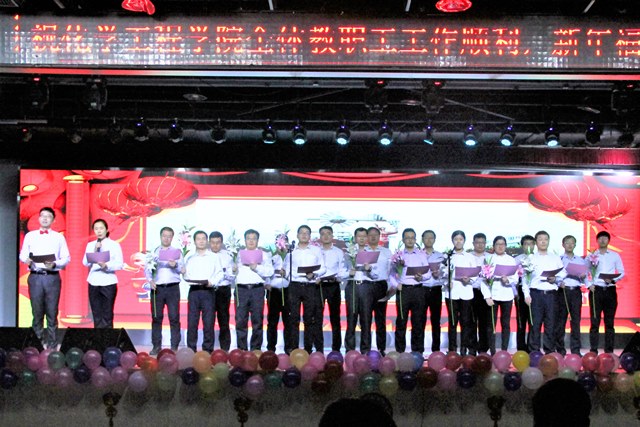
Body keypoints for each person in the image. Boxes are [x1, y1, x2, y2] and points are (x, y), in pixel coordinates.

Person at [19, 207, 70, 349]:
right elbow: (23, 254)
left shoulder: (59, 237)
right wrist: (26, 260)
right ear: (39, 218)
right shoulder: (30, 236)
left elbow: (66, 258)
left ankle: (52, 347)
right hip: (35, 277)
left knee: (52, 314)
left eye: (48, 216)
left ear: (53, 220)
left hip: (52, 277)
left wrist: (54, 264)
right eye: (42, 215)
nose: (45, 218)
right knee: (36, 313)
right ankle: (37, 346)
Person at [285, 225, 326, 353]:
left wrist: (313, 274)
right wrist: (288, 276)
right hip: (294, 286)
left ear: (310, 236)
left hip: (310, 286)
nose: (304, 235)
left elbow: (323, 268)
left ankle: (308, 349)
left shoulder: (316, 250)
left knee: (309, 318)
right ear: (297, 235)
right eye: (301, 233)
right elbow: (286, 268)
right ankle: (294, 348)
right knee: (293, 318)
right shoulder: (291, 250)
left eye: (307, 233)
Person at [524, 230, 565, 354]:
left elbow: (562, 273)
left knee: (551, 324)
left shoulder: (555, 257)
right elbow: (525, 279)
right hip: (536, 294)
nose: (543, 241)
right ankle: (534, 352)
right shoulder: (530, 258)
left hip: (551, 295)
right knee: (535, 324)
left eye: (546, 239)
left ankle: (549, 351)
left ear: (549, 241)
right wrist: (526, 294)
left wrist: (555, 279)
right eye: (540, 239)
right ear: (536, 242)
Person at [145, 226, 183, 355]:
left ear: (172, 238)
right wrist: (150, 280)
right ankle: (156, 346)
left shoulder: (177, 252)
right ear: (160, 236)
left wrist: (175, 265)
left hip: (173, 288)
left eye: (169, 236)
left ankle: (174, 347)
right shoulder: (154, 252)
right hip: (157, 289)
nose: (166, 238)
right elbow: (147, 269)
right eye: (164, 236)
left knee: (174, 317)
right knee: (156, 318)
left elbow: (182, 269)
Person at [183, 230, 223, 353]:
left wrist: (212, 282)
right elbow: (186, 275)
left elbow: (220, 273)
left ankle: (208, 350)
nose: (201, 241)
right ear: (194, 241)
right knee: (192, 322)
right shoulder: (190, 257)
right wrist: (184, 274)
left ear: (207, 241)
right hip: (194, 291)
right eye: (198, 239)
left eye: (203, 239)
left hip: (208, 291)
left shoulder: (214, 257)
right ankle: (191, 349)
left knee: (209, 322)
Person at [392, 228, 429, 354]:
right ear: (403, 240)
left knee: (418, 322)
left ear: (415, 240)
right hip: (403, 291)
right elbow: (391, 274)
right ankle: (400, 351)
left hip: (418, 290)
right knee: (401, 322)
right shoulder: (398, 255)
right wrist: (396, 284)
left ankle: (417, 352)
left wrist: (422, 277)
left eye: (412, 238)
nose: (410, 240)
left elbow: (428, 273)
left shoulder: (421, 254)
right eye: (407, 238)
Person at [234, 229, 273, 351]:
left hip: (257, 289)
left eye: (254, 239)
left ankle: (255, 349)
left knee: (257, 321)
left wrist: (257, 268)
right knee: (240, 321)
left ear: (258, 240)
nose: (251, 241)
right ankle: (242, 350)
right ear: (245, 240)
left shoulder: (264, 255)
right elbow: (231, 274)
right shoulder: (238, 254)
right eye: (248, 239)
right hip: (241, 290)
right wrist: (233, 270)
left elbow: (270, 272)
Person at [82, 219, 123, 329]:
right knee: (96, 314)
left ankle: (108, 338)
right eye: (96, 229)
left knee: (107, 314)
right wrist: (95, 250)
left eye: (101, 228)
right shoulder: (90, 245)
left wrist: (106, 266)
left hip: (108, 282)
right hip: (93, 281)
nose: (99, 231)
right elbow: (85, 263)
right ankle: (98, 338)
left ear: (107, 229)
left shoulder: (114, 245)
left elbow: (119, 264)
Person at [589, 230, 625, 354]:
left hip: (610, 290)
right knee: (594, 322)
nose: (603, 240)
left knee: (609, 323)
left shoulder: (615, 255)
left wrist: (613, 279)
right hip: (596, 291)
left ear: (609, 241)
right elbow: (585, 271)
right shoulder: (592, 255)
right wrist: (589, 284)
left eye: (605, 238)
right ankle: (593, 350)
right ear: (597, 240)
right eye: (600, 238)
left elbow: (621, 271)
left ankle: (609, 351)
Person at [481, 236, 517, 353]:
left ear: (505, 246)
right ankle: (492, 351)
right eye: (498, 244)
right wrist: (487, 296)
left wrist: (508, 280)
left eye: (502, 244)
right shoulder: (488, 259)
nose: (500, 246)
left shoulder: (511, 259)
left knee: (505, 324)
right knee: (491, 324)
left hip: (507, 294)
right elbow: (483, 279)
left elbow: (516, 278)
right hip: (493, 296)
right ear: (494, 246)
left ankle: (504, 351)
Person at [444, 230, 476, 355]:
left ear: (464, 241)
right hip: (451, 293)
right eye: (456, 239)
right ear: (452, 241)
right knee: (452, 322)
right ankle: (452, 349)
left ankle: (464, 348)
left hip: (466, 292)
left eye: (460, 239)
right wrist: (447, 282)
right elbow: (442, 273)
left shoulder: (470, 257)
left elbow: (475, 274)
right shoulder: (448, 256)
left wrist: (469, 279)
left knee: (465, 322)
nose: (458, 241)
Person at [318, 226, 348, 352]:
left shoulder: (338, 252)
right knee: (317, 318)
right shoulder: (316, 251)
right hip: (318, 286)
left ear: (332, 236)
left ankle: (336, 348)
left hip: (333, 285)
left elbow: (342, 269)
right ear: (320, 236)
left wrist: (340, 276)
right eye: (323, 234)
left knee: (335, 318)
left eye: (328, 233)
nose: (326, 236)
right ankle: (318, 348)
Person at [555, 235, 586, 356]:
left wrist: (583, 277)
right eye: (567, 243)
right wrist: (559, 281)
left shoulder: (580, 260)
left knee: (575, 321)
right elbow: (555, 275)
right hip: (563, 291)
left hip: (576, 292)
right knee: (560, 321)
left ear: (575, 245)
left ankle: (576, 350)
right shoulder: (559, 259)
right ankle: (560, 350)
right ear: (563, 245)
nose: (569, 245)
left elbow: (584, 278)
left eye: (572, 243)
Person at [266, 233, 293, 354]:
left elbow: (293, 272)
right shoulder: (270, 255)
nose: (282, 245)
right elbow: (266, 271)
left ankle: (289, 347)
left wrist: (286, 273)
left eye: (284, 242)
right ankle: (271, 347)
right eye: (279, 242)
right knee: (272, 321)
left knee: (288, 320)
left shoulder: (291, 256)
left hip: (287, 290)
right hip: (273, 291)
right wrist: (267, 284)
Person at [367, 227, 392, 355]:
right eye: (370, 235)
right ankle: (365, 348)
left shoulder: (386, 252)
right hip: (366, 286)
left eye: (375, 235)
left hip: (381, 285)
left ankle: (381, 348)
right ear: (367, 237)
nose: (373, 237)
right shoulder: (362, 251)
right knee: (366, 319)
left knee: (380, 319)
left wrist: (389, 287)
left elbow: (391, 271)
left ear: (379, 236)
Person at [344, 227, 369, 352]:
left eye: (364, 236)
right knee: (351, 319)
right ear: (355, 238)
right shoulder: (349, 253)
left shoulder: (371, 253)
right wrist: (349, 273)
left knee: (366, 320)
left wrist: (370, 270)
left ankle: (365, 350)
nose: (362, 239)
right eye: (359, 236)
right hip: (352, 286)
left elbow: (376, 275)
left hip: (366, 287)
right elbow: (341, 272)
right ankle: (350, 350)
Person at [209, 231, 234, 351]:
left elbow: (231, 277)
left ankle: (225, 349)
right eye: (213, 242)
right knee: (209, 320)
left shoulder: (228, 256)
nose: (215, 245)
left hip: (223, 290)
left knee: (224, 320)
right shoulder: (205, 256)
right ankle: (208, 349)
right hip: (209, 290)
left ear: (222, 243)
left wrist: (225, 273)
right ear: (209, 242)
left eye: (218, 242)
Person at [421, 229, 445, 353]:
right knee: (420, 321)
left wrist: (439, 274)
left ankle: (436, 350)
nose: (429, 240)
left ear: (435, 240)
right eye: (426, 237)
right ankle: (419, 349)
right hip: (422, 289)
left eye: (431, 238)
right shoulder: (418, 255)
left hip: (436, 290)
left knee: (436, 321)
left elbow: (445, 274)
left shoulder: (441, 256)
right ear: (422, 239)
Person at [470, 232, 491, 354]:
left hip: (486, 294)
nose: (480, 245)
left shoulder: (490, 257)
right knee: (471, 321)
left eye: (482, 242)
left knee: (484, 322)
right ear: (473, 243)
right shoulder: (468, 257)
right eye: (477, 242)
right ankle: (472, 348)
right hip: (471, 292)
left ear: (485, 243)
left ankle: (483, 349)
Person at [514, 234, 535, 352]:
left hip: (535, 291)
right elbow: (512, 277)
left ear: (534, 245)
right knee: (521, 321)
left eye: (531, 244)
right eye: (526, 244)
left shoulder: (537, 258)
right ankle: (521, 348)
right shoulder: (517, 259)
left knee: (533, 320)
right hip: (520, 292)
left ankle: (532, 347)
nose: (529, 246)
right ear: (522, 246)